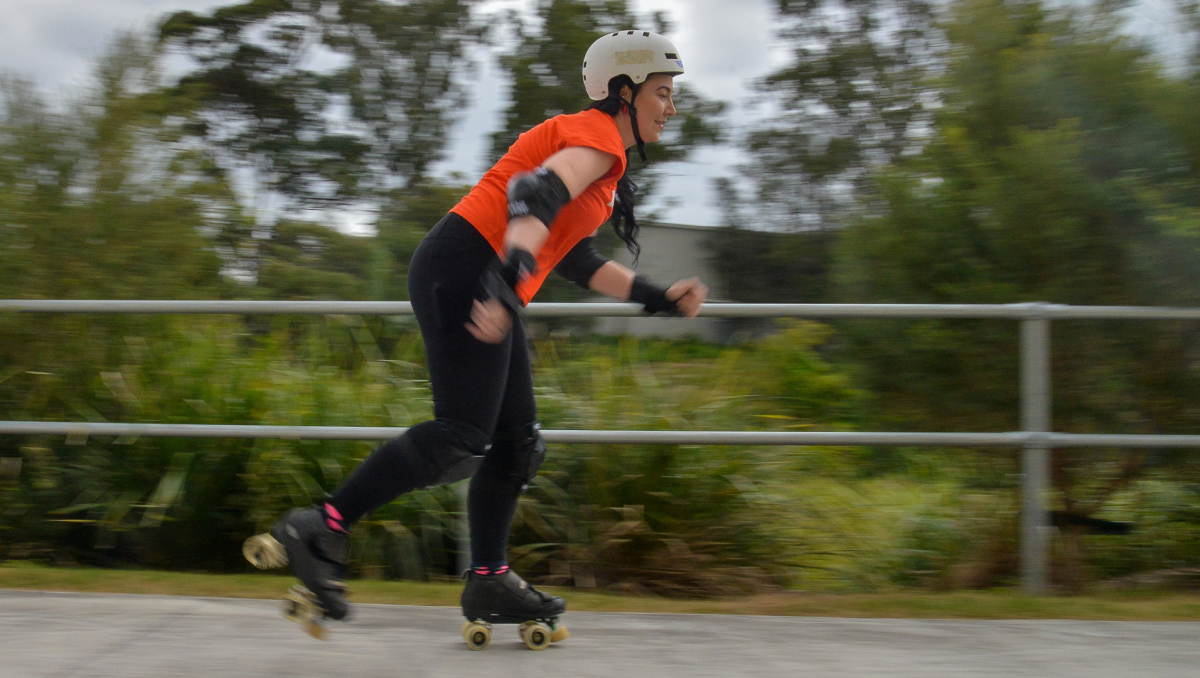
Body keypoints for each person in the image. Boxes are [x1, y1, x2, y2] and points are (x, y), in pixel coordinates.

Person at [245, 29, 709, 635]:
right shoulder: (595, 136)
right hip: (468, 265)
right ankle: (323, 525)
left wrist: (657, 298)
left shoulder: (602, 163)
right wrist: (504, 279)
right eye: (662, 93)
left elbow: (572, 257)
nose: (670, 107)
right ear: (624, 91)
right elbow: (533, 194)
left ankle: (489, 580)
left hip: (483, 272)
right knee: (463, 432)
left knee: (517, 443)